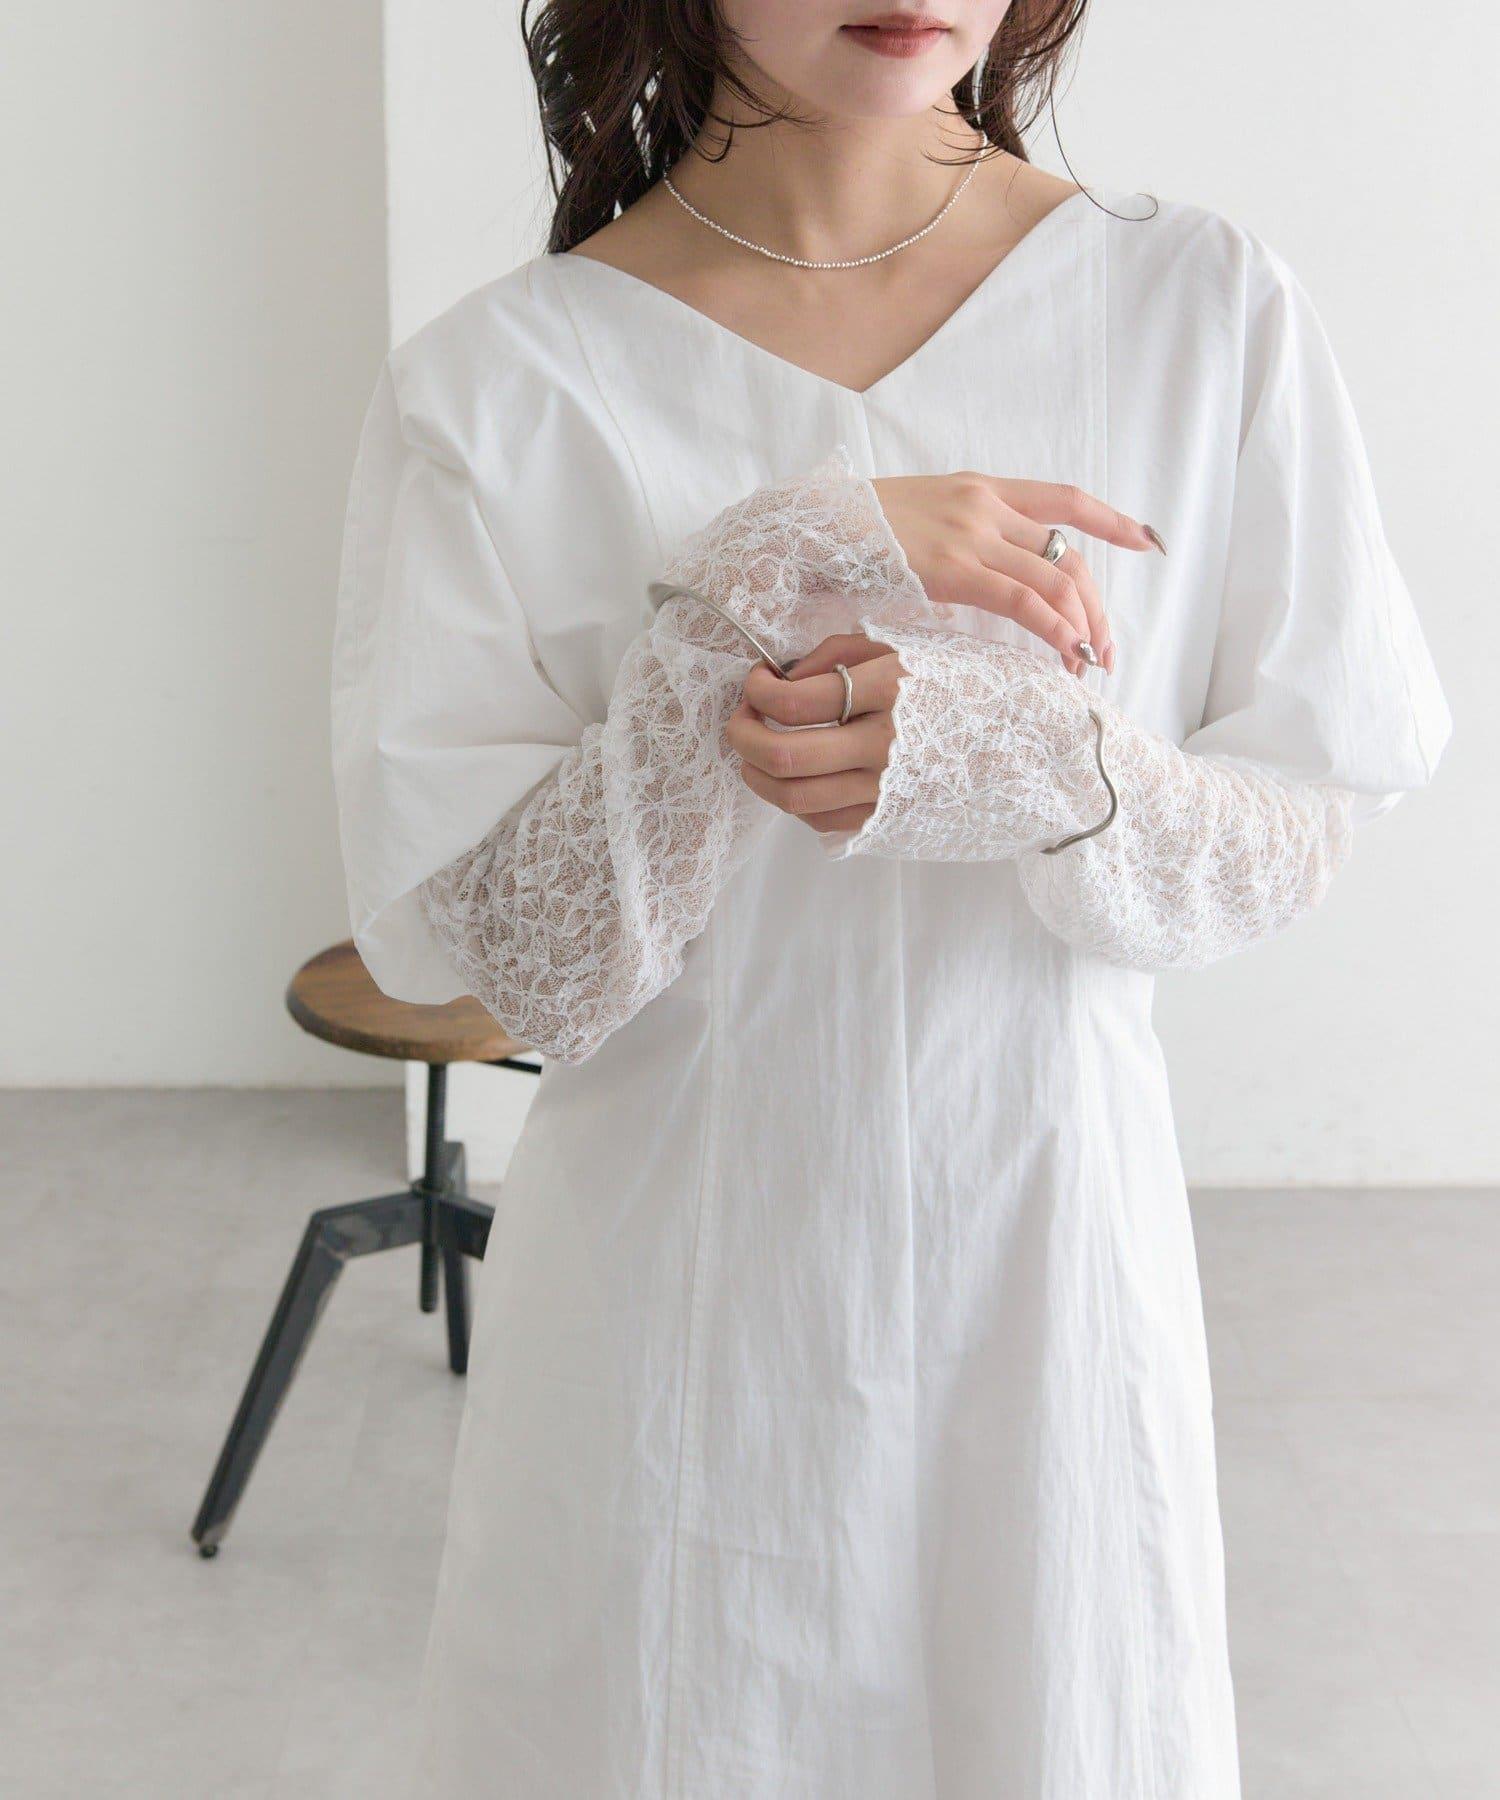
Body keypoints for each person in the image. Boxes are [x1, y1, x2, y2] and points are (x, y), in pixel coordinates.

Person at [331, 3, 1451, 1793]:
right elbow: (519, 968)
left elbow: (1309, 816)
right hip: (677, 1334)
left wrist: (1060, 772)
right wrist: (758, 580)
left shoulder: (1197, 306)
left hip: (1051, 1296)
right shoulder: (502, 380)